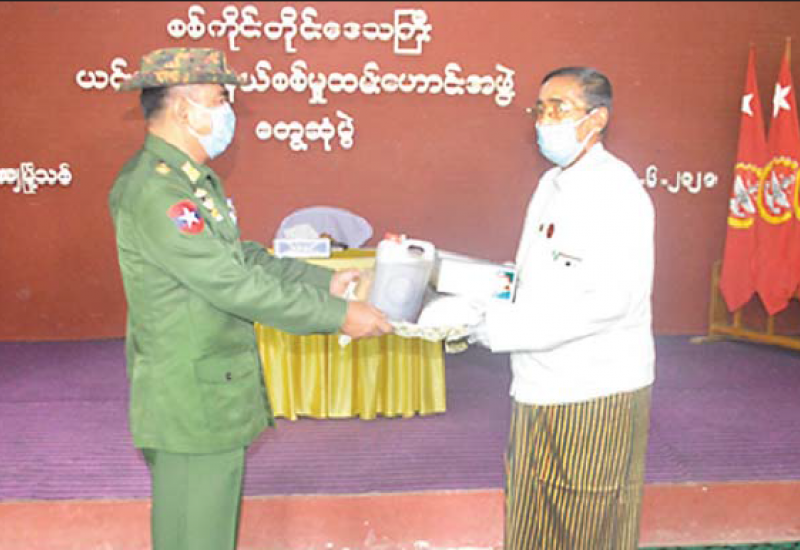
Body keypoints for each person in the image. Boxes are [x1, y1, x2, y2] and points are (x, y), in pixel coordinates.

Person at [108, 47, 392, 550]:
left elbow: (240, 259)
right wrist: (338, 316)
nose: (229, 111)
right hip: (191, 399)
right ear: (183, 109)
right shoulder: (158, 192)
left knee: (196, 534)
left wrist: (322, 282)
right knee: (198, 537)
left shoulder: (190, 182)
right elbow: (232, 284)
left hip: (205, 390)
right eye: (220, 98)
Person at [469, 67, 655, 549]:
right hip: (536, 384)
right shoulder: (550, 183)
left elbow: (612, 301)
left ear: (597, 119)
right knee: (532, 517)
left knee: (588, 524)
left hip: (594, 390)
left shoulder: (618, 191)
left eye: (559, 109)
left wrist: (502, 329)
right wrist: (475, 299)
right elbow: (533, 274)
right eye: (540, 109)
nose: (544, 121)